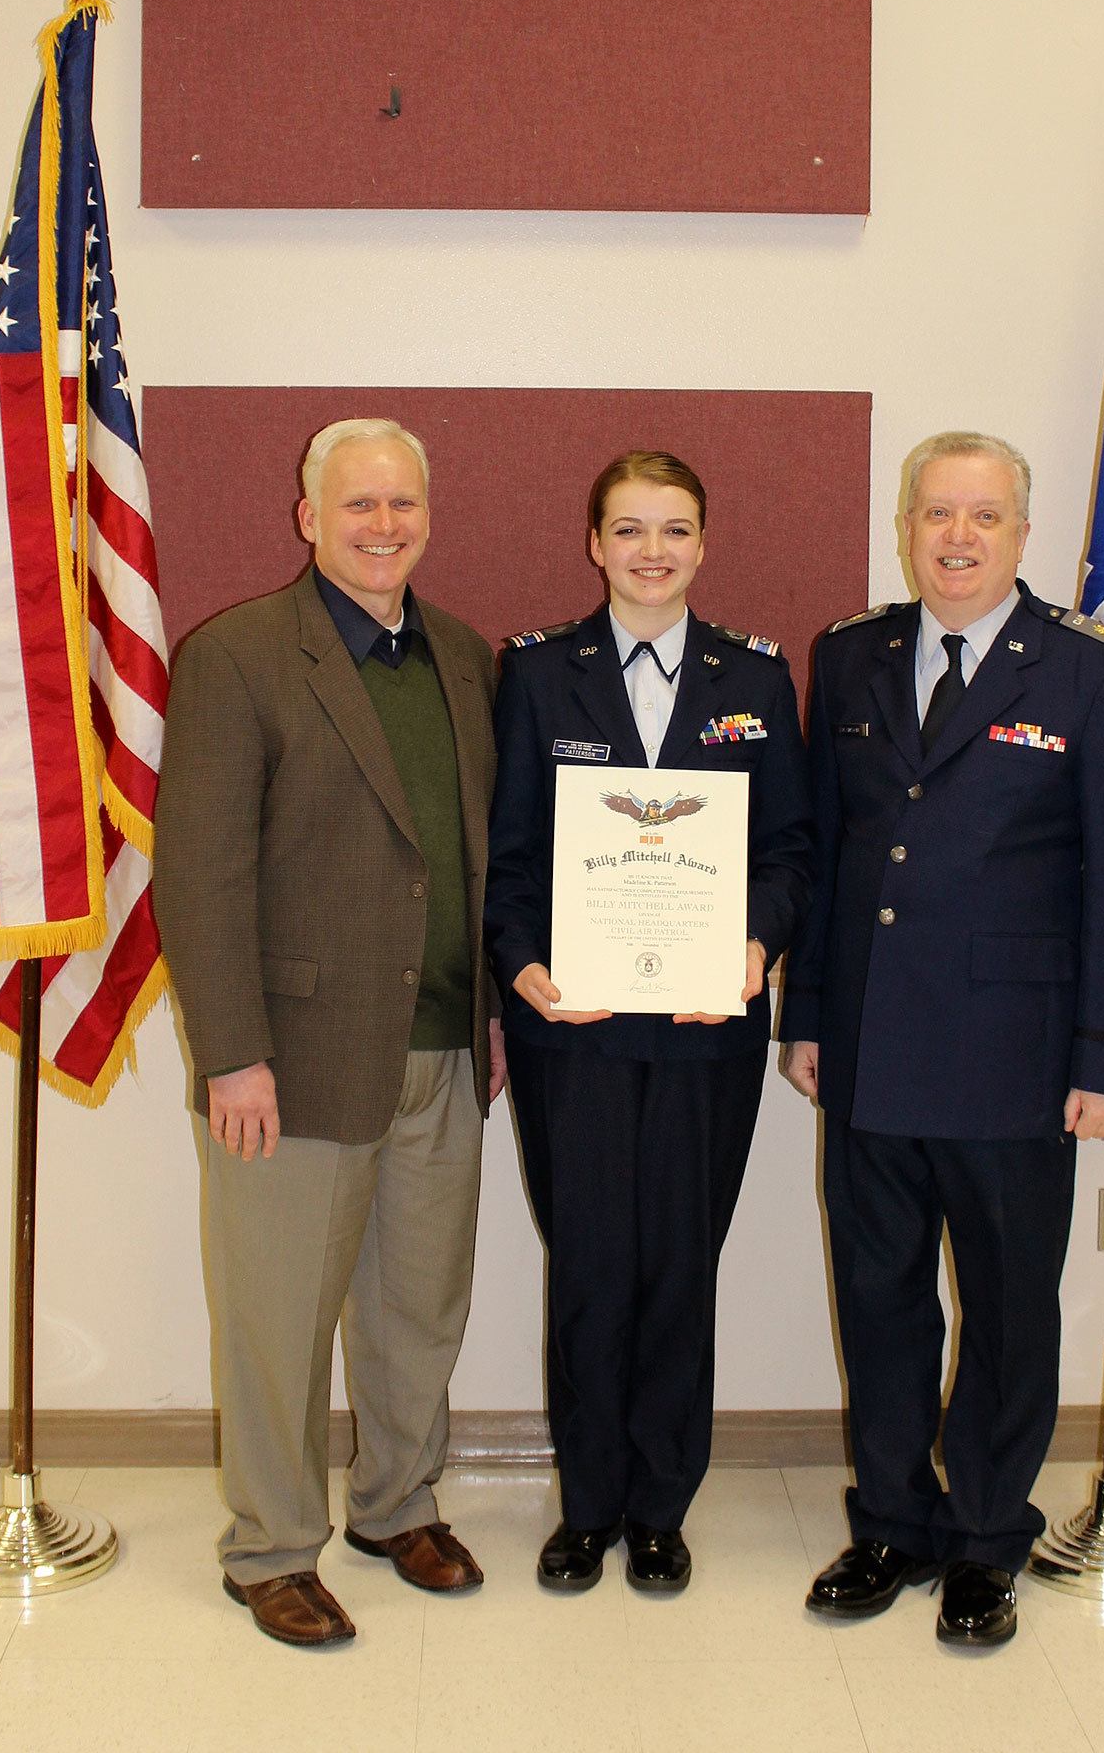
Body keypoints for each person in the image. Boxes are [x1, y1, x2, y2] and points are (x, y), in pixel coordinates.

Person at [783, 431, 1104, 1647]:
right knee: (880, 1300)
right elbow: (834, 858)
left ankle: (988, 1538)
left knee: (1006, 1310)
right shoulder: (846, 658)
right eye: (935, 513)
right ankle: (891, 1522)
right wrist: (807, 1022)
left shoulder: (1086, 672)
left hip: (1016, 1058)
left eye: (982, 517)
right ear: (905, 525)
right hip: (870, 1048)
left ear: (1020, 533)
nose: (955, 537)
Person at [154, 418, 504, 1647]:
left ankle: (396, 1504)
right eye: (357, 505)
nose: (382, 526)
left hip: (447, 1053)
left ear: (427, 514)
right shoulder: (239, 655)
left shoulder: (466, 658)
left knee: (419, 1309)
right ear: (308, 516)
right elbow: (196, 874)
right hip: (288, 1064)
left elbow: (478, 860)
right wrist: (228, 1053)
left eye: (402, 504)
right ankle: (268, 1547)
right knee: (277, 1321)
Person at [486, 450, 813, 1593]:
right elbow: (509, 855)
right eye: (628, 530)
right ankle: (585, 1508)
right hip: (566, 1029)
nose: (651, 552)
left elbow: (785, 853)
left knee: (679, 1264)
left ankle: (662, 1504)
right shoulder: (532, 673)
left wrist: (754, 946)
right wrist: (519, 967)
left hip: (699, 1028)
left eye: (674, 530)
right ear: (594, 544)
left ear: (703, 545)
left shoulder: (757, 679)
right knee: (586, 1265)